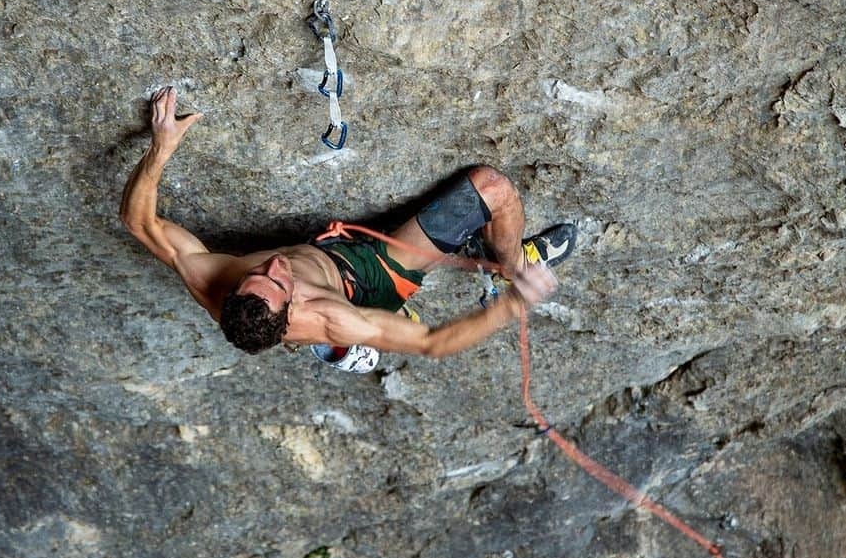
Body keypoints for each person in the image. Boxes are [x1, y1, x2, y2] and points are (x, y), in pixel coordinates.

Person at [120, 87, 575, 359]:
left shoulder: (214, 282)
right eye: (278, 282)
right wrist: (513, 303)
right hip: (367, 275)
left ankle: (487, 261)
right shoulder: (330, 317)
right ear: (291, 308)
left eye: (256, 273)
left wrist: (160, 147)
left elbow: (138, 222)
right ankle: (516, 263)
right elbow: (433, 343)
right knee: (492, 189)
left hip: (327, 250)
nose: (273, 266)